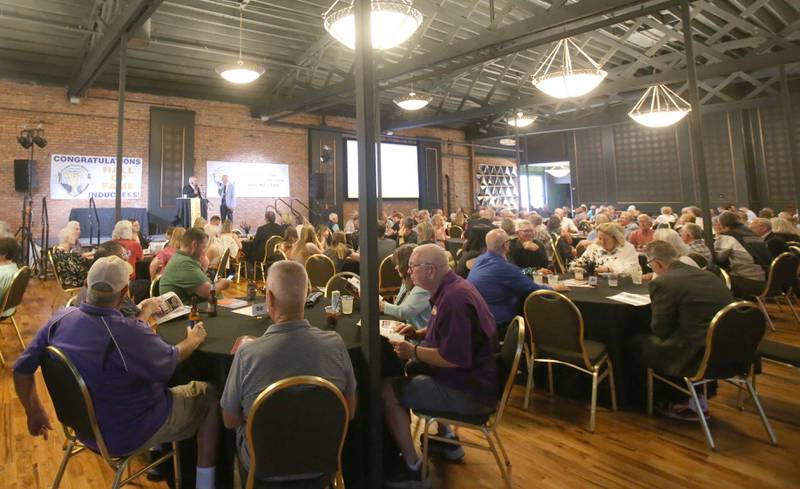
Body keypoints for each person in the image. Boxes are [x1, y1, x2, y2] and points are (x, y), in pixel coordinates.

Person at [13, 256, 220, 489]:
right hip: (124, 434)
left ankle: (158, 461)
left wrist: (34, 410)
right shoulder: (127, 334)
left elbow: (21, 369)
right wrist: (192, 340)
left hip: (81, 429)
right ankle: (205, 484)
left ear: (85, 285)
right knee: (210, 394)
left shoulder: (59, 320)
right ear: (124, 293)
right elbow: (171, 359)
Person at [220, 260, 356, 480]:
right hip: (321, 465)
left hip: (262, 468)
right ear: (308, 294)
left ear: (270, 299)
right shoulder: (336, 345)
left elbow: (229, 420)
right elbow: (349, 410)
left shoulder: (247, 355)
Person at [383, 244, 498, 486]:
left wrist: (412, 350)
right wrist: (418, 332)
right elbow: (446, 333)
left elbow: (453, 358)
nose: (408, 271)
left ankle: (414, 467)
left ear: (431, 270)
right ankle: (448, 441)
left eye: (413, 267)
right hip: (472, 380)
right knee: (415, 368)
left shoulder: (455, 300)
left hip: (468, 391)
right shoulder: (451, 290)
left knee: (387, 391)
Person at [628, 241, 733, 421]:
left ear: (657, 263)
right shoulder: (709, 275)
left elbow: (661, 329)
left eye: (649, 264)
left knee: (635, 341)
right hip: (730, 346)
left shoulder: (664, 282)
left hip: (696, 353)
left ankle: (671, 399)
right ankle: (695, 396)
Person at [469, 229, 566, 333]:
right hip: (497, 322)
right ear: (506, 245)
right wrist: (552, 288)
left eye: (531, 231)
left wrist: (534, 270)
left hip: (477, 318)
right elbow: (532, 288)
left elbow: (517, 272)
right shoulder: (508, 260)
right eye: (526, 231)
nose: (529, 234)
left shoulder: (480, 260)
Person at [159, 227, 230, 303]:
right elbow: (208, 292)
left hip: (198, 308)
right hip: (189, 312)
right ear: (194, 245)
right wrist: (222, 284)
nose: (204, 251)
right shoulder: (184, 263)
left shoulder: (184, 259)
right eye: (203, 247)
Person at [77, 241, 142, 318]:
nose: (127, 258)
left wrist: (140, 306)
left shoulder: (66, 317)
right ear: (124, 290)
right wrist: (148, 310)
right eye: (124, 255)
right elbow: (133, 326)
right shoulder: (116, 291)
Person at [714, 211, 770, 297]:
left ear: (721, 224)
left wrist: (719, 237)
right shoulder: (753, 234)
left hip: (748, 282)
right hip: (766, 280)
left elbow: (718, 258)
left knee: (711, 273)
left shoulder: (729, 236)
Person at [379, 244, 431, 330]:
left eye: (398, 264)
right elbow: (397, 305)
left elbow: (403, 312)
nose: (396, 267)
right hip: (406, 327)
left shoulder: (423, 286)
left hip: (419, 337)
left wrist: (382, 305)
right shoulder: (406, 281)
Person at [571, 223, 641, 274]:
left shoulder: (627, 248)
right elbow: (581, 262)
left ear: (616, 239)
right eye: (600, 238)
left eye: (606, 239)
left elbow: (633, 268)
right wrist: (578, 266)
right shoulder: (594, 247)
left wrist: (610, 269)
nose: (602, 242)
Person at [0, 237, 21, 318]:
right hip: (9, 309)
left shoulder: (2, 274)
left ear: (4, 254)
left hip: (1, 311)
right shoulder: (14, 267)